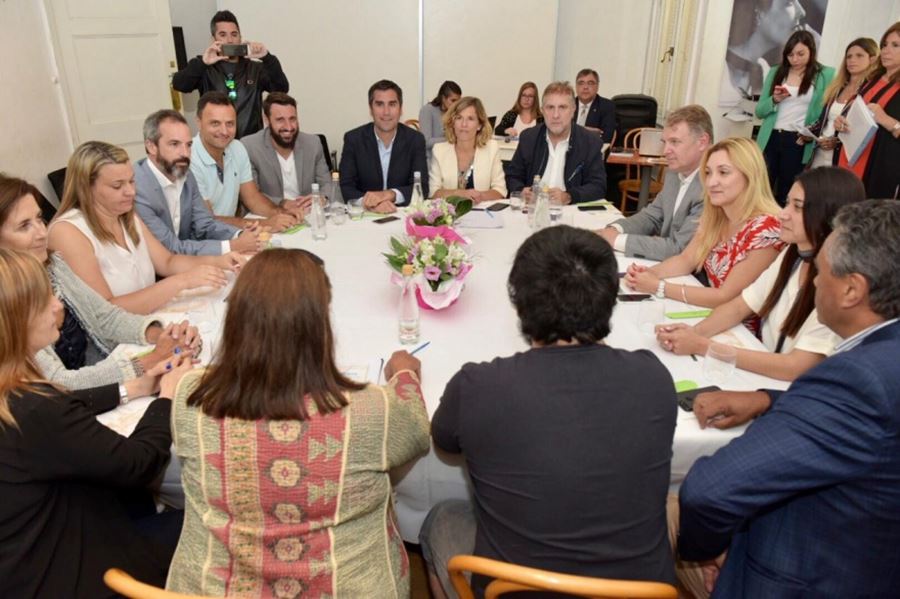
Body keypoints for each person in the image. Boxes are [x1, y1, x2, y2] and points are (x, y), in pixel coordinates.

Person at [421, 226, 677, 598]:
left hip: (515, 590)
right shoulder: (653, 377)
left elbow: (444, 439)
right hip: (636, 591)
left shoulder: (479, 385)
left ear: (520, 304)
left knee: (440, 517)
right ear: (609, 299)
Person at [166, 249, 430, 596]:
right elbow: (416, 429)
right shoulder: (369, 411)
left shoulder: (192, 396)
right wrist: (406, 374)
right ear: (318, 324)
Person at [678, 200, 900, 598]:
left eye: (822, 272)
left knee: (653, 507)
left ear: (852, 290)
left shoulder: (858, 378)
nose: (813, 282)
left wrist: (707, 554)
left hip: (811, 572)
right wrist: (767, 399)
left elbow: (710, 491)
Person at [0, 247, 194, 598]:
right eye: (45, 301)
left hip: (30, 558)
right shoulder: (34, 409)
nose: (58, 307)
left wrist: (136, 386)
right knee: (211, 518)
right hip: (75, 570)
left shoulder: (16, 397)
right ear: (15, 321)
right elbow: (139, 462)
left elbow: (69, 405)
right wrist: (167, 396)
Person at [657, 167, 865, 381]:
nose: (783, 214)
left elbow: (795, 367)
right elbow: (740, 306)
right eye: (787, 203)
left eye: (797, 207)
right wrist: (695, 333)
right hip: (763, 372)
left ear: (828, 215)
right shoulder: (791, 254)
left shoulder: (839, 283)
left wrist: (704, 346)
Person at [0, 175, 198, 394]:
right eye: (24, 226)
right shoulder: (8, 301)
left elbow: (106, 317)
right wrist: (149, 360)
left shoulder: (54, 266)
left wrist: (159, 334)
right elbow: (57, 381)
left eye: (39, 219)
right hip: (70, 405)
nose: (42, 233)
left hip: (105, 385)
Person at [48, 141, 242, 315]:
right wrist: (182, 281)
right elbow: (106, 312)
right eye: (117, 186)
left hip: (151, 317)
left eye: (132, 181)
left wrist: (219, 261)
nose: (131, 192)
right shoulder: (68, 232)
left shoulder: (125, 215)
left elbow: (167, 261)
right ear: (86, 188)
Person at [625, 137, 783, 307]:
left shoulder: (767, 228)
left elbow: (724, 296)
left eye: (723, 172)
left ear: (750, 176)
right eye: (708, 173)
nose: (711, 182)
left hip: (739, 329)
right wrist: (648, 273)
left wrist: (658, 286)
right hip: (708, 312)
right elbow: (686, 260)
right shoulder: (717, 215)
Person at [135, 109, 262, 256]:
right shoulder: (137, 187)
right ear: (151, 146)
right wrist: (232, 245)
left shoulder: (186, 175)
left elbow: (204, 225)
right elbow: (169, 248)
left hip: (186, 261)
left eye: (188, 145)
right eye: (174, 144)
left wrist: (240, 235)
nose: (184, 153)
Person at [597, 105, 712, 260]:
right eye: (664, 142)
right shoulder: (675, 173)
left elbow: (679, 249)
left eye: (675, 142)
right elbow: (652, 217)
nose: (665, 151)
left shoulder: (713, 186)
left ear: (702, 142)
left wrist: (616, 240)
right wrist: (614, 229)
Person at [189, 92, 299, 231]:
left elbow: (252, 198)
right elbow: (206, 220)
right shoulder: (188, 158)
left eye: (230, 124)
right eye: (215, 123)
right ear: (198, 122)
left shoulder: (237, 148)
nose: (224, 131)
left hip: (228, 234)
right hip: (200, 241)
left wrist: (281, 214)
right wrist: (267, 224)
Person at [171, 10, 289, 138]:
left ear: (240, 38)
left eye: (234, 34)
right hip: (216, 143)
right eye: (223, 34)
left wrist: (267, 58)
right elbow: (179, 84)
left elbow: (281, 89)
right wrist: (203, 63)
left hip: (249, 144)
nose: (230, 40)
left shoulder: (256, 68)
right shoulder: (204, 67)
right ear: (213, 39)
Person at [755, 30, 834, 205]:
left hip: (797, 140)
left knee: (788, 192)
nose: (795, 60)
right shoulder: (777, 72)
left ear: (811, 52)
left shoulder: (824, 75)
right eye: (790, 55)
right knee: (762, 189)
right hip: (771, 137)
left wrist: (811, 133)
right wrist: (774, 100)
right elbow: (759, 111)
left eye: (800, 54)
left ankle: (781, 229)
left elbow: (825, 112)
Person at [506, 81, 607, 205]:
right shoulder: (529, 138)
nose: (555, 115)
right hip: (532, 210)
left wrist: (569, 196)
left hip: (570, 211)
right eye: (550, 107)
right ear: (542, 110)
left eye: (562, 107)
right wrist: (521, 190)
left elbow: (598, 186)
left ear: (573, 110)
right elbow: (512, 176)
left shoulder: (590, 142)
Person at [339, 80, 429, 213]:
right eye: (379, 104)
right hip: (364, 217)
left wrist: (389, 194)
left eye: (392, 104)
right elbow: (346, 187)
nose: (386, 112)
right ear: (371, 109)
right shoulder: (353, 139)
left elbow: (422, 188)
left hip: (402, 215)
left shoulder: (415, 139)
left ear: (401, 108)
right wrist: (370, 204)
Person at [836, 22, 900, 199]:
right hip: (848, 161)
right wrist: (840, 121)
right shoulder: (872, 79)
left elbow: (885, 121)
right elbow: (853, 112)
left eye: (895, 45)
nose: (886, 50)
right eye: (885, 44)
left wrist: (887, 120)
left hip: (877, 172)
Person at [241, 92, 331, 206]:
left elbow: (327, 185)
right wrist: (282, 204)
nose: (288, 127)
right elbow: (252, 194)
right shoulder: (249, 146)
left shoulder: (313, 143)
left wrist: (322, 198)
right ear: (266, 120)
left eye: (292, 119)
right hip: (270, 214)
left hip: (308, 213)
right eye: (280, 120)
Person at [808, 38, 879, 168]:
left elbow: (863, 132)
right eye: (849, 56)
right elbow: (823, 120)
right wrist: (808, 132)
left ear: (872, 59)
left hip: (843, 159)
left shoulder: (869, 91)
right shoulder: (837, 87)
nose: (852, 60)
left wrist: (838, 142)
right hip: (819, 153)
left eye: (859, 56)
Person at [428, 96, 506, 202]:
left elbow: (500, 191)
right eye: (459, 118)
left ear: (479, 125)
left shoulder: (492, 149)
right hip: (449, 215)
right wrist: (460, 194)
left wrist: (479, 196)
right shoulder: (439, 150)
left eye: (470, 119)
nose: (464, 124)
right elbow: (433, 192)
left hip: (483, 215)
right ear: (452, 123)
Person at [573, 68, 617, 144]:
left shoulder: (607, 106)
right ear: (576, 86)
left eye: (590, 83)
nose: (585, 87)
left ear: (597, 86)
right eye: (581, 83)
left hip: (592, 152)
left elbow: (606, 138)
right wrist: (587, 131)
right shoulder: (567, 105)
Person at [418, 80, 461, 154]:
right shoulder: (427, 110)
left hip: (449, 155)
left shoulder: (454, 112)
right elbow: (426, 142)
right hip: (431, 158)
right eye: (453, 100)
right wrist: (450, 139)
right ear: (443, 98)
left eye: (458, 101)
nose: (456, 105)